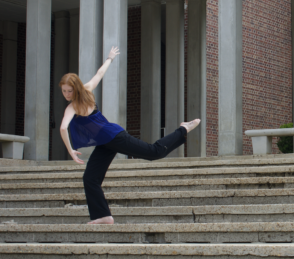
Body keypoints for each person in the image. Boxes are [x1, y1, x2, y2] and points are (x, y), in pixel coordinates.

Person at [59, 46, 200, 225]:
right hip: (104, 142)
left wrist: (71, 151)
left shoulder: (76, 102)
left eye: (69, 91)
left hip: (115, 136)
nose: (66, 95)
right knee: (90, 178)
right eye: (64, 91)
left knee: (154, 152)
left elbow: (63, 128)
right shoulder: (86, 90)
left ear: (76, 88)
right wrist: (109, 58)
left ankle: (183, 129)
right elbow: (99, 73)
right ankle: (103, 216)